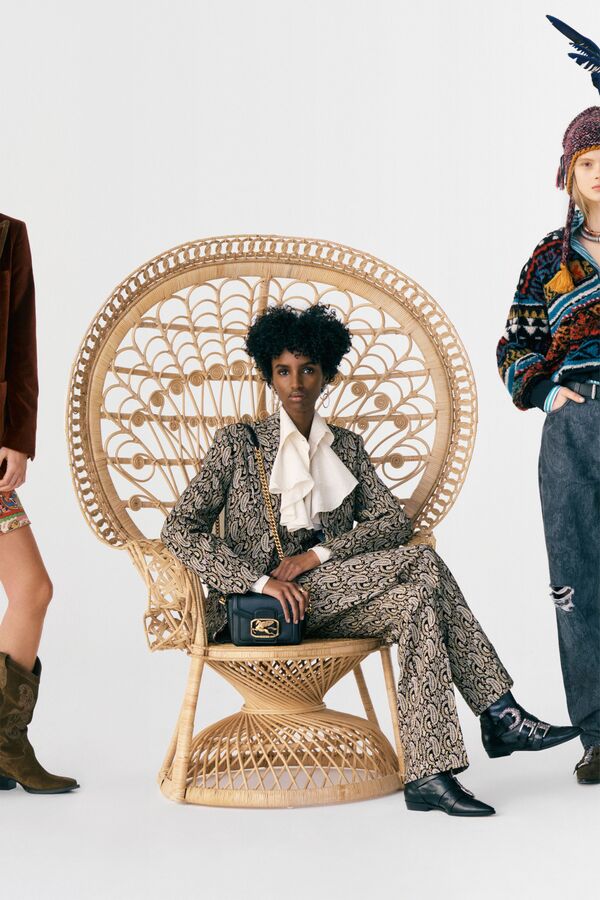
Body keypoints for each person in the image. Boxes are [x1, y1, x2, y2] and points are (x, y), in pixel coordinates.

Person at [162, 303, 579, 816]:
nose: (296, 383)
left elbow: (392, 523)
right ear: (270, 376)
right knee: (422, 567)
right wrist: (259, 581)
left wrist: (318, 554)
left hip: (333, 598)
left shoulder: (346, 448)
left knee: (416, 603)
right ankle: (500, 713)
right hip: (263, 613)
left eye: (308, 370)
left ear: (326, 375)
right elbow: (179, 529)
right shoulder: (238, 445)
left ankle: (429, 775)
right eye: (284, 371)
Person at [496, 100, 600, 786]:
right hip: (574, 428)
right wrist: (543, 391)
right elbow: (515, 344)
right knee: (578, 581)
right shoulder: (548, 261)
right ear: (568, 174)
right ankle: (598, 735)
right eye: (588, 162)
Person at [0, 214, 78, 794]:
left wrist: (17, 438)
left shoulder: (6, 234)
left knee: (32, 590)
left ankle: (5, 746)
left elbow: (20, 346)